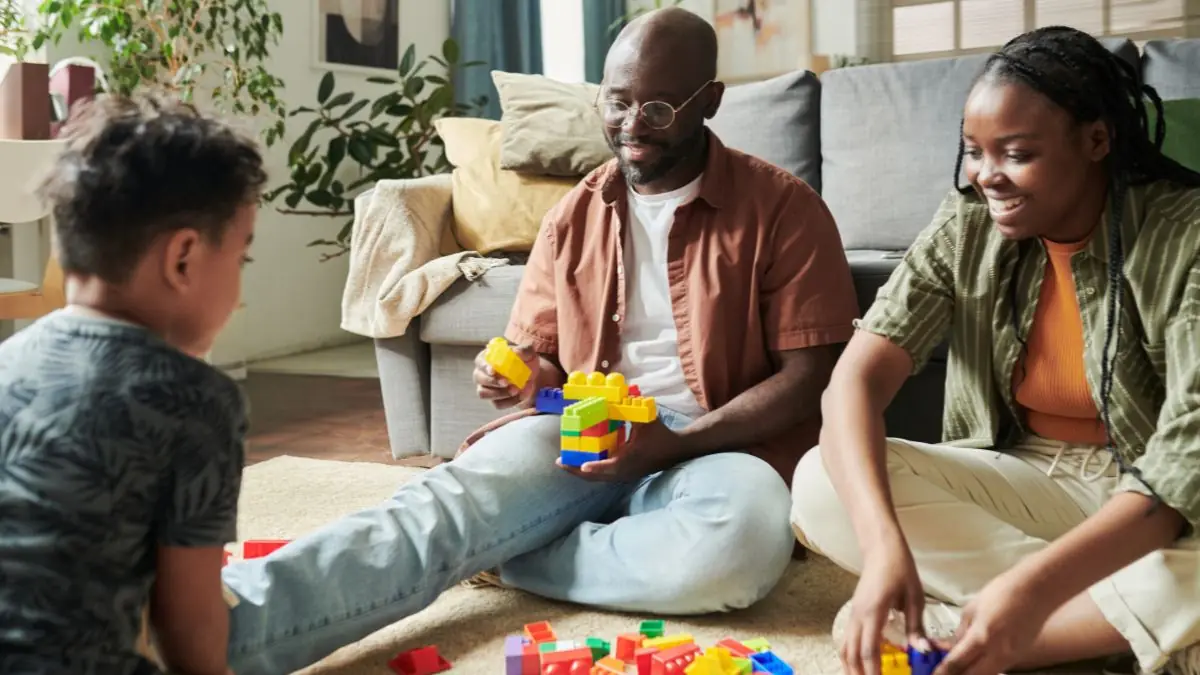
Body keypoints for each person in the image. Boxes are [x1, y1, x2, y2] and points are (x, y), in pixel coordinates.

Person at [218, 7, 860, 675]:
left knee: (743, 547)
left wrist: (678, 442)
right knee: (439, 508)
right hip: (582, 437)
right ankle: (224, 627)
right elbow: (543, 357)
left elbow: (810, 376)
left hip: (719, 445)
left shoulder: (784, 208)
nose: (633, 127)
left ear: (711, 102)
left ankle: (506, 553)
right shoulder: (575, 214)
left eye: (661, 109)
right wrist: (524, 373)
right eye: (618, 103)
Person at [789, 25, 1200, 675]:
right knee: (821, 480)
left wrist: (1032, 587)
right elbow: (853, 385)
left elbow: (1181, 477)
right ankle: (1117, 621)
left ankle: (1015, 632)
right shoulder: (966, 223)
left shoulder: (1188, 236)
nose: (986, 176)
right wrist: (884, 546)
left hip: (1165, 507)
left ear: (1097, 140)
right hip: (1032, 477)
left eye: (1015, 153)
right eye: (974, 151)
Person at [0, 93, 262, 675]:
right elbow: (189, 627)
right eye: (242, 259)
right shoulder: (196, 402)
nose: (240, 292)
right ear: (184, 259)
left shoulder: (6, 364)